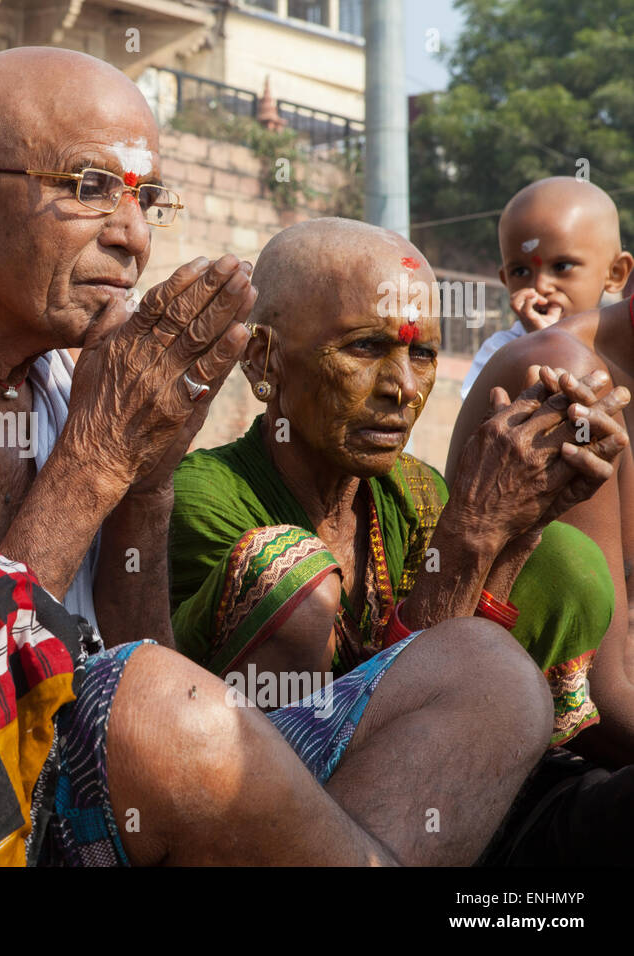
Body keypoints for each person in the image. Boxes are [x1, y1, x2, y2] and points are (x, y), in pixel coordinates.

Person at [0, 48, 558, 865]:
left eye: (147, 199)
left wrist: (146, 482)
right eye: (90, 189)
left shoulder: (72, 364)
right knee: (162, 706)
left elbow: (136, 648)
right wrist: (98, 458)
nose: (134, 237)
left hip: (127, 765)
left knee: (488, 674)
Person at [169, 218, 632, 864]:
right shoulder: (205, 498)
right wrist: (473, 529)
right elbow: (357, 746)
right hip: (283, 819)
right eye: (364, 348)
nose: (403, 388)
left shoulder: (412, 491)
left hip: (432, 805)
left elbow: (470, 674)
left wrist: (517, 530)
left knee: (565, 562)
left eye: (420, 354)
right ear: (264, 361)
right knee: (289, 572)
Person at [451, 217, 634, 864]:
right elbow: (601, 701)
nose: (541, 286)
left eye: (564, 266)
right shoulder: (568, 378)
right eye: (524, 270)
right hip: (522, 770)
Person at [460, 177, 633, 399]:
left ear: (616, 272)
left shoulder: (623, 345)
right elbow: (479, 422)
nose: (540, 286)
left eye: (562, 267)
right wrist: (545, 344)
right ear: (505, 280)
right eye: (520, 272)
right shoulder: (501, 351)